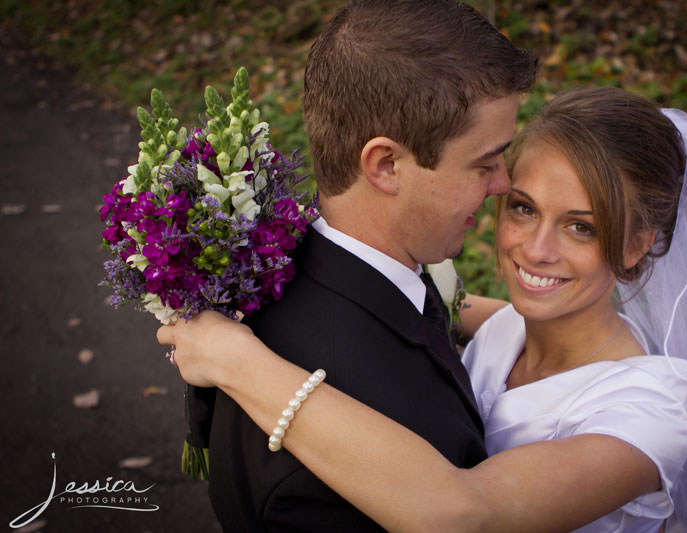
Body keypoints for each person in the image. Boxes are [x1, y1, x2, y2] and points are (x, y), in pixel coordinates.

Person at [160, 87, 687, 531]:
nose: (535, 249)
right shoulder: (507, 326)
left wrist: (237, 361)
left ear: (637, 243)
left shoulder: (650, 415)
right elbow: (433, 297)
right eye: (522, 207)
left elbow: (459, 515)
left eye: (581, 227)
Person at [178, 0, 538, 530]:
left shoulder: (299, 266)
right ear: (387, 165)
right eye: (484, 163)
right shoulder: (360, 448)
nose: (504, 184)